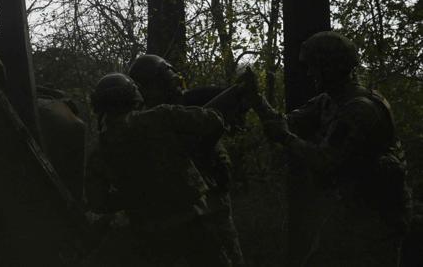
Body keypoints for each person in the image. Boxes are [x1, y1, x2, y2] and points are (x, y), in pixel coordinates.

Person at [254, 31, 411, 266]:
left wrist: (286, 139)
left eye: (315, 67)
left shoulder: (359, 109)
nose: (310, 73)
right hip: (353, 208)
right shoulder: (331, 99)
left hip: (377, 215)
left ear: (330, 67)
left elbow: (325, 161)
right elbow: (289, 121)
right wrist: (258, 101)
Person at [84, 72, 233, 266]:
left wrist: (133, 196)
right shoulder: (162, 116)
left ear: (99, 105)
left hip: (149, 233)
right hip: (193, 222)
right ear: (133, 97)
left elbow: (97, 202)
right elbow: (214, 121)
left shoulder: (100, 150)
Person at [128, 55, 247, 266]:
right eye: (172, 83)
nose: (178, 88)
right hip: (186, 212)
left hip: (210, 200)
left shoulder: (182, 107)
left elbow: (234, 101)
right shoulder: (152, 121)